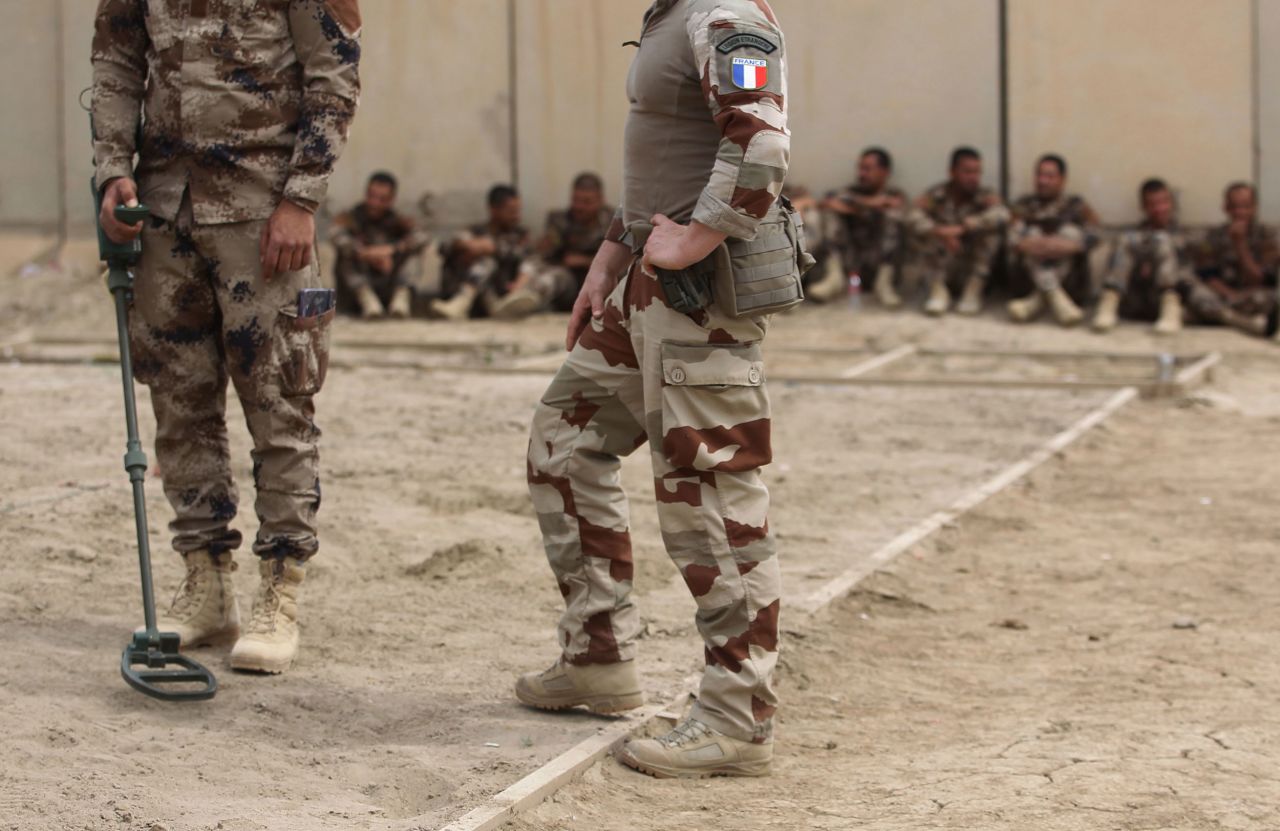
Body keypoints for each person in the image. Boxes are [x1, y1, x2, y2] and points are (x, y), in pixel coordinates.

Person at [516, 0, 792, 779]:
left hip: (698, 301)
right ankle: (598, 654)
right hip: (645, 287)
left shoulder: (726, 13)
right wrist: (612, 253)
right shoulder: (674, 14)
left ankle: (739, 717)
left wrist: (701, 232)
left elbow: (761, 140)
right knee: (564, 439)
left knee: (708, 498)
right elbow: (669, 150)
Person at [92, 0, 361, 673]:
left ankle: (280, 590)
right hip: (161, 206)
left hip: (262, 207)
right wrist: (111, 168)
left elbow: (334, 69)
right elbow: (117, 57)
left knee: (279, 399)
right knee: (180, 402)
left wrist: (302, 197)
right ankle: (207, 580)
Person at [908, 146, 1009, 316]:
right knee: (923, 231)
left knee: (992, 232)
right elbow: (911, 216)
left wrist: (964, 228)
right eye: (967, 172)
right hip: (943, 267)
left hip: (972, 268)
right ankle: (938, 291)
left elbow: (1003, 214)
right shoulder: (936, 195)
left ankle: (972, 292)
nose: (974, 178)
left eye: (977, 172)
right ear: (952, 172)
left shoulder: (985, 195)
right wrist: (939, 231)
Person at [1005, 154, 1101, 326]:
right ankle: (1054, 294)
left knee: (1070, 232)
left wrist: (1070, 245)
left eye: (1050, 176)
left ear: (1062, 180)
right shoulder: (1023, 204)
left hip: (1070, 278)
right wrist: (1037, 244)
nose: (1043, 181)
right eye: (1040, 175)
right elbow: (1011, 237)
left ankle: (1035, 302)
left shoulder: (1076, 205)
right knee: (1032, 232)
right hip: (1027, 277)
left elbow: (1096, 234)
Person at [513, 172, 618, 314]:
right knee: (549, 273)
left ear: (600, 200)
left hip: (603, 282)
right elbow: (547, 253)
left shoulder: (613, 221)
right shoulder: (560, 219)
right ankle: (520, 297)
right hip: (569, 281)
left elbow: (622, 260)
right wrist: (544, 246)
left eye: (586, 202)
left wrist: (585, 261)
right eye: (576, 200)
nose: (579, 207)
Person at [330, 171, 430, 320]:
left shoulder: (398, 219)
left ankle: (400, 301)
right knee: (345, 256)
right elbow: (336, 236)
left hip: (388, 281)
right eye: (371, 196)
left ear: (391, 200)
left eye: (382, 199)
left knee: (414, 256)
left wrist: (392, 250)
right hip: (359, 285)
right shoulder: (351, 217)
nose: (374, 203)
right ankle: (368, 302)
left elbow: (422, 237)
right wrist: (367, 254)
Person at [1184, 182, 1279, 337]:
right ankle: (1235, 320)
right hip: (1222, 296)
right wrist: (1229, 294)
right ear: (1226, 208)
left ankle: (1215, 315)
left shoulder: (1266, 236)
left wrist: (1240, 244)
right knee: (1193, 289)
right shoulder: (1213, 236)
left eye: (1245, 207)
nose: (1240, 212)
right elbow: (1208, 276)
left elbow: (1259, 278)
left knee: (1270, 297)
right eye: (1235, 207)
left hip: (1252, 296)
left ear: (1254, 208)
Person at [1093, 179, 1187, 335]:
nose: (1159, 209)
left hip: (1175, 301)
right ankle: (1109, 304)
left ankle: (1170, 308)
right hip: (1137, 298)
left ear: (1171, 203)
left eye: (1164, 202)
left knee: (1163, 239)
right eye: (1153, 204)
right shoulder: (1134, 236)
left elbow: (1190, 275)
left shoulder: (1183, 235)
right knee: (1125, 239)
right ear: (1143, 207)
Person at [429, 184, 535, 320]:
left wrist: (493, 248)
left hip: (504, 292)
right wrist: (467, 245)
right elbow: (444, 247)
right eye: (511, 211)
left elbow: (526, 256)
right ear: (494, 209)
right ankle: (462, 301)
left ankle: (468, 303)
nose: (516, 216)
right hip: (468, 291)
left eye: (517, 211)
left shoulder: (520, 235)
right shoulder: (476, 231)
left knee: (488, 261)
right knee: (476, 258)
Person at [820, 147, 908, 307]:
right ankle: (834, 277)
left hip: (878, 261)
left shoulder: (895, 194)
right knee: (830, 214)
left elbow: (898, 207)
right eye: (860, 168)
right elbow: (828, 203)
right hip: (850, 261)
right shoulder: (851, 191)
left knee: (893, 216)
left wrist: (853, 207)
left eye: (867, 169)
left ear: (884, 172)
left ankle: (884, 283)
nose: (861, 174)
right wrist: (870, 204)